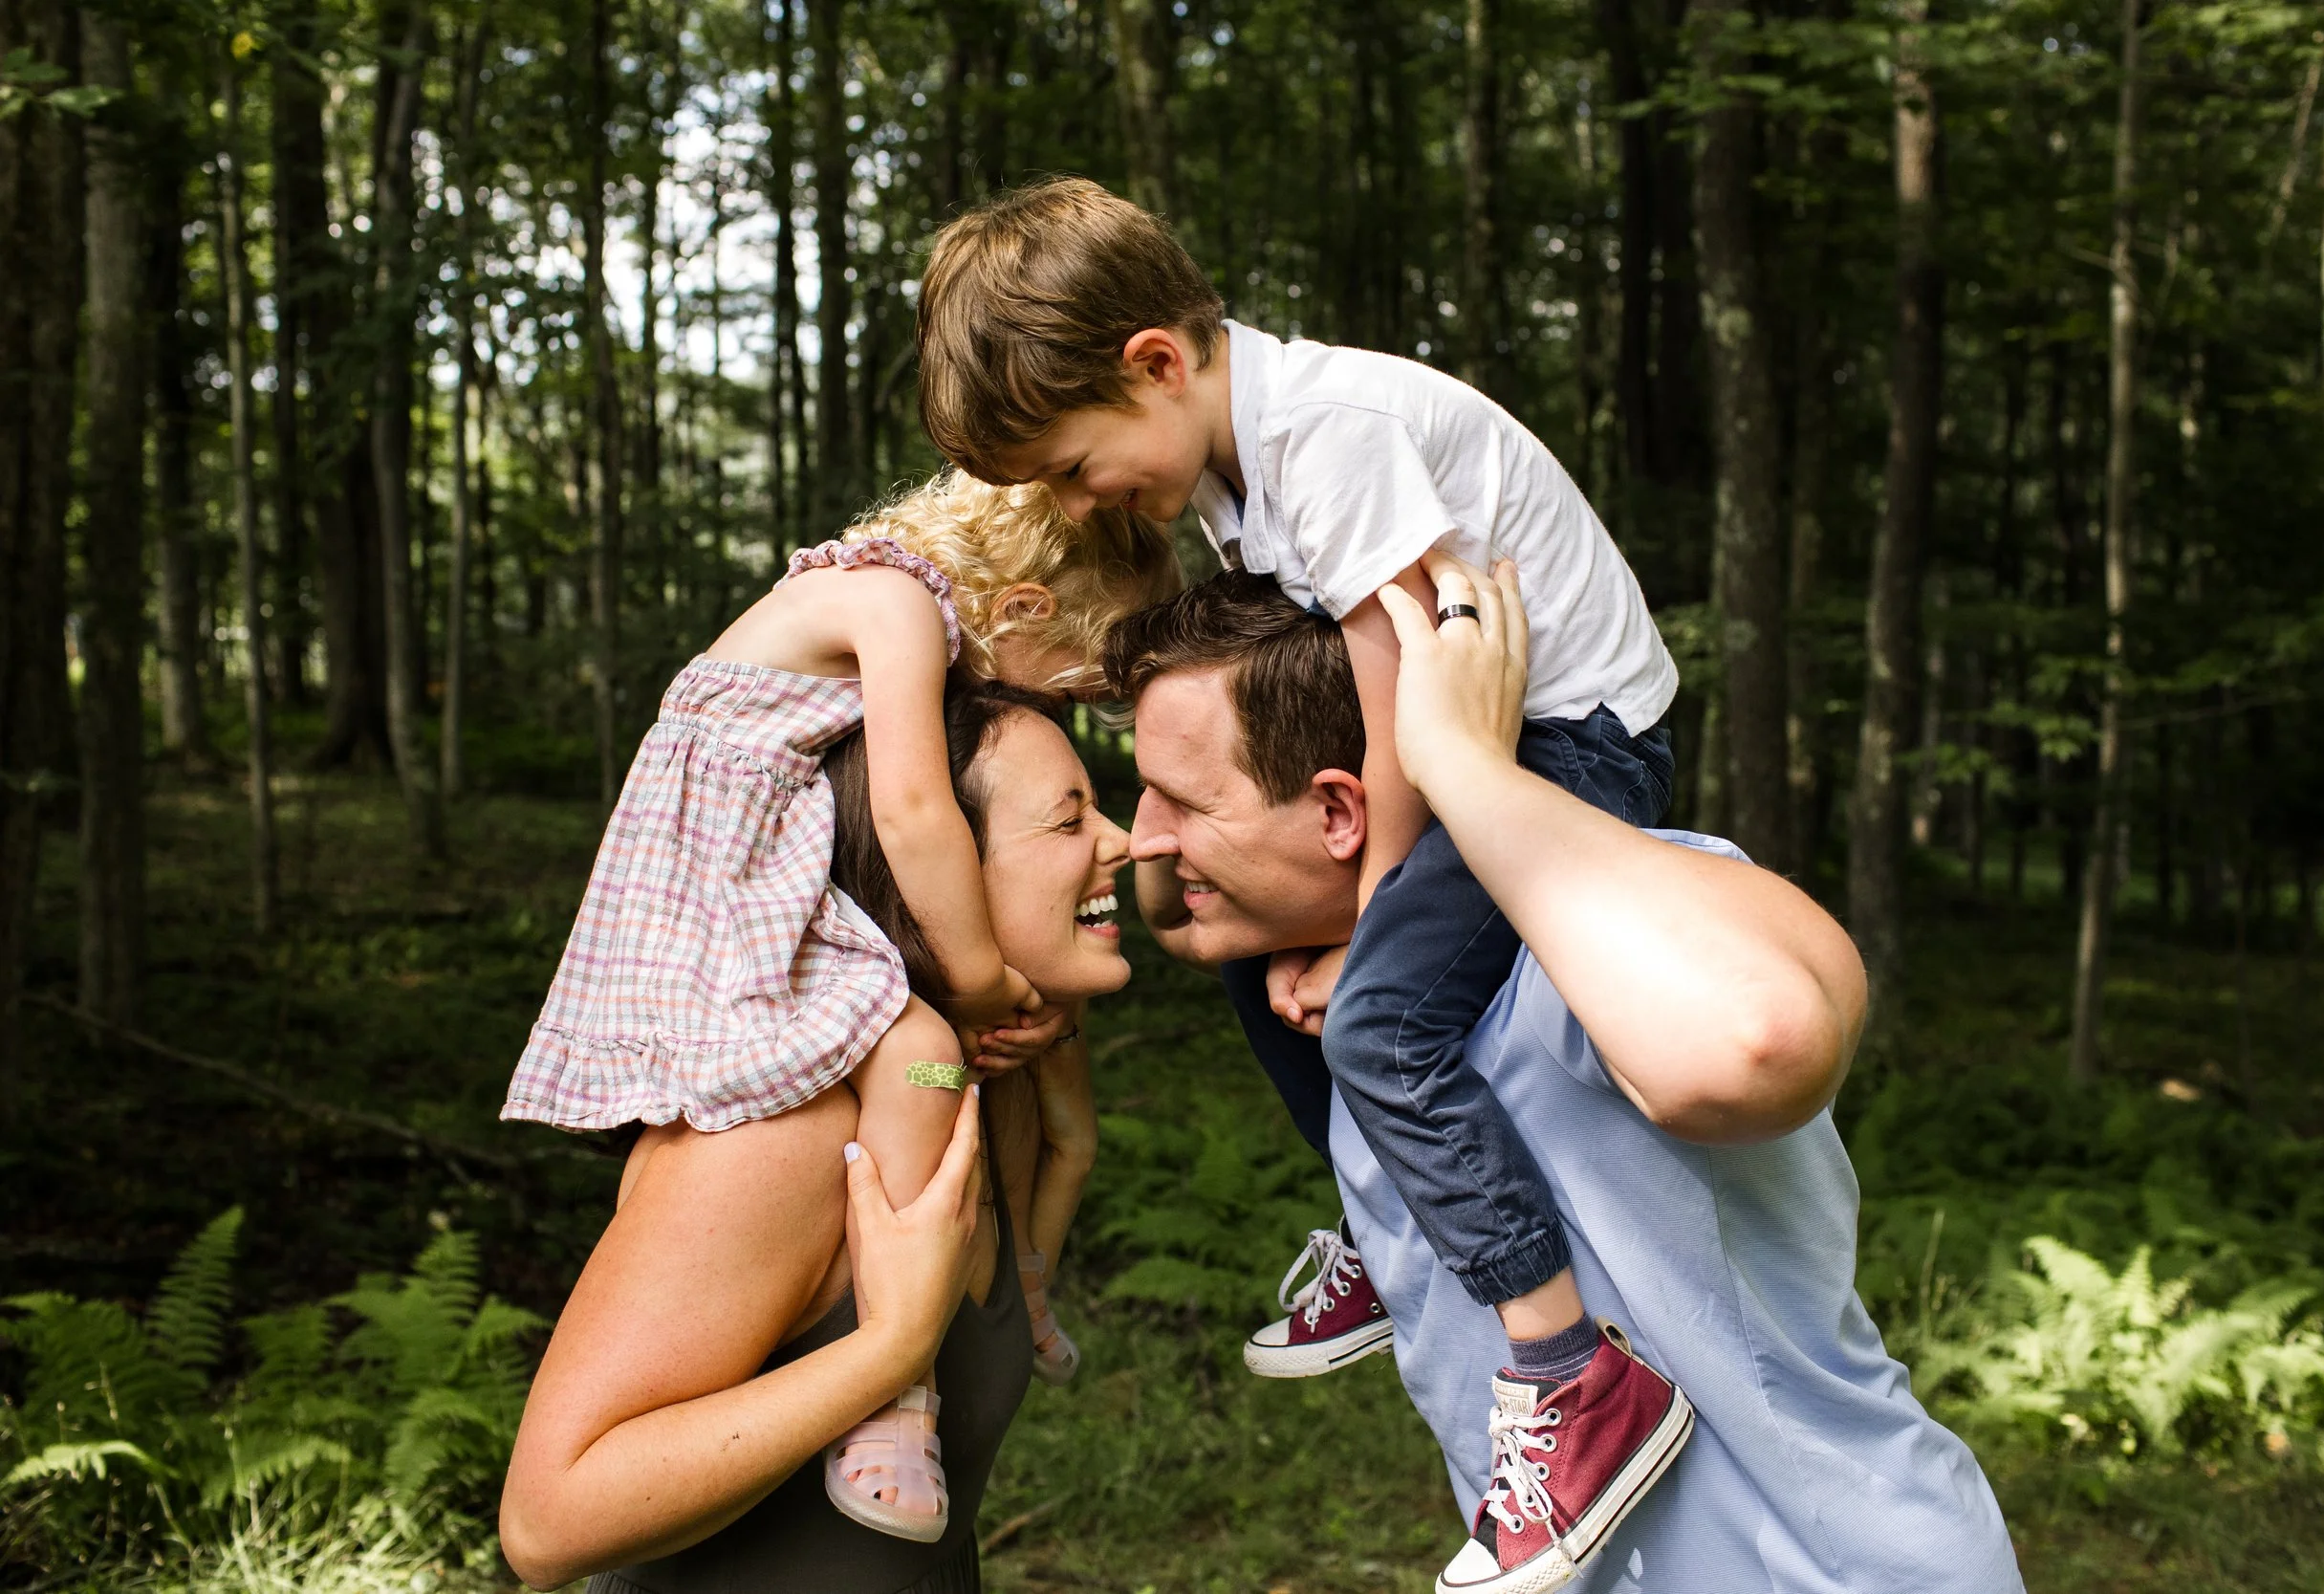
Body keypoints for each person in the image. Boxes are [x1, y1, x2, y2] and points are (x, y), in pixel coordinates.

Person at [916, 176, 1684, 1587]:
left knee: (1382, 1016)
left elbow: (1400, 690)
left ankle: (1578, 1375)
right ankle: (1385, 1213)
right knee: (1256, 963)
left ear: (1157, 361)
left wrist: (1380, 909)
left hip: (1569, 745)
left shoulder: (1330, 432)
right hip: (1472, 740)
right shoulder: (1233, 469)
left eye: (1077, 464)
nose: (1087, 499)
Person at [1105, 561, 2026, 1594]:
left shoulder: (1582, 935)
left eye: (1180, 800)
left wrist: (1466, 769)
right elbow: (1172, 919)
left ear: (1337, 811)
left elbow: (1764, 1033)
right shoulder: (1329, 990)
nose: (1143, 837)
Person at [501, 471, 1176, 1541]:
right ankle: (888, 1408)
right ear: (1022, 606)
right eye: (1066, 818)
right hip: (707, 878)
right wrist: (888, 1350)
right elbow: (544, 1528)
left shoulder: (968, 1087)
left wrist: (1049, 1073)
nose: (1125, 838)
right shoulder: (796, 1139)